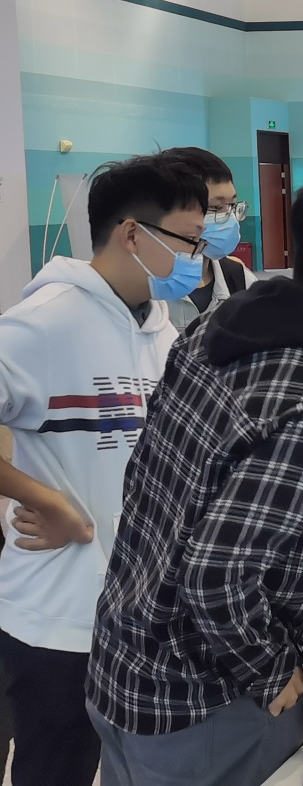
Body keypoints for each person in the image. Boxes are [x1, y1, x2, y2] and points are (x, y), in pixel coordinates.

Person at [85, 154, 303, 786]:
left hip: (127, 662)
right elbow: (218, 574)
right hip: (209, 704)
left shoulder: (221, 327)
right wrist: (273, 669)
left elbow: (151, 487)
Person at [0, 154, 208, 786]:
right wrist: (44, 499)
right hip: (59, 612)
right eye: (188, 241)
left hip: (140, 611)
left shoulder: (162, 332)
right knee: (57, 768)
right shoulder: (44, 323)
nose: (197, 258)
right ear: (132, 234)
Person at [157, 147, 257, 332]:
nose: (229, 218)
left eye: (232, 206)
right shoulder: (145, 288)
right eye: (216, 208)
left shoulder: (239, 278)